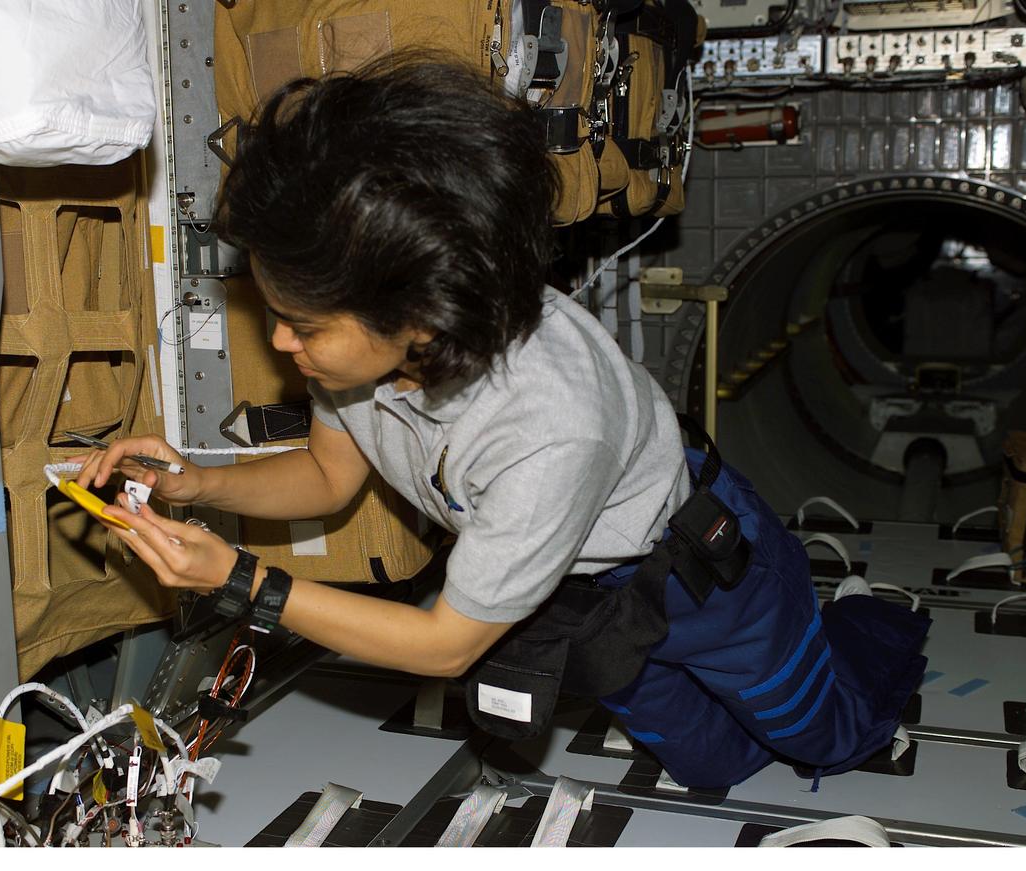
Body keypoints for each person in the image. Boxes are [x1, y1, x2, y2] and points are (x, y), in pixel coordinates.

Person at [74, 56, 928, 788]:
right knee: (714, 764)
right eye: (275, 308)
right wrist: (198, 482)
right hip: (584, 600)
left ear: (423, 321)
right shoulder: (361, 344)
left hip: (706, 577)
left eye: (304, 322)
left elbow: (445, 645)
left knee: (825, 736)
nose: (280, 340)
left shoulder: (550, 423)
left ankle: (873, 617)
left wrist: (241, 581)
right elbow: (331, 478)